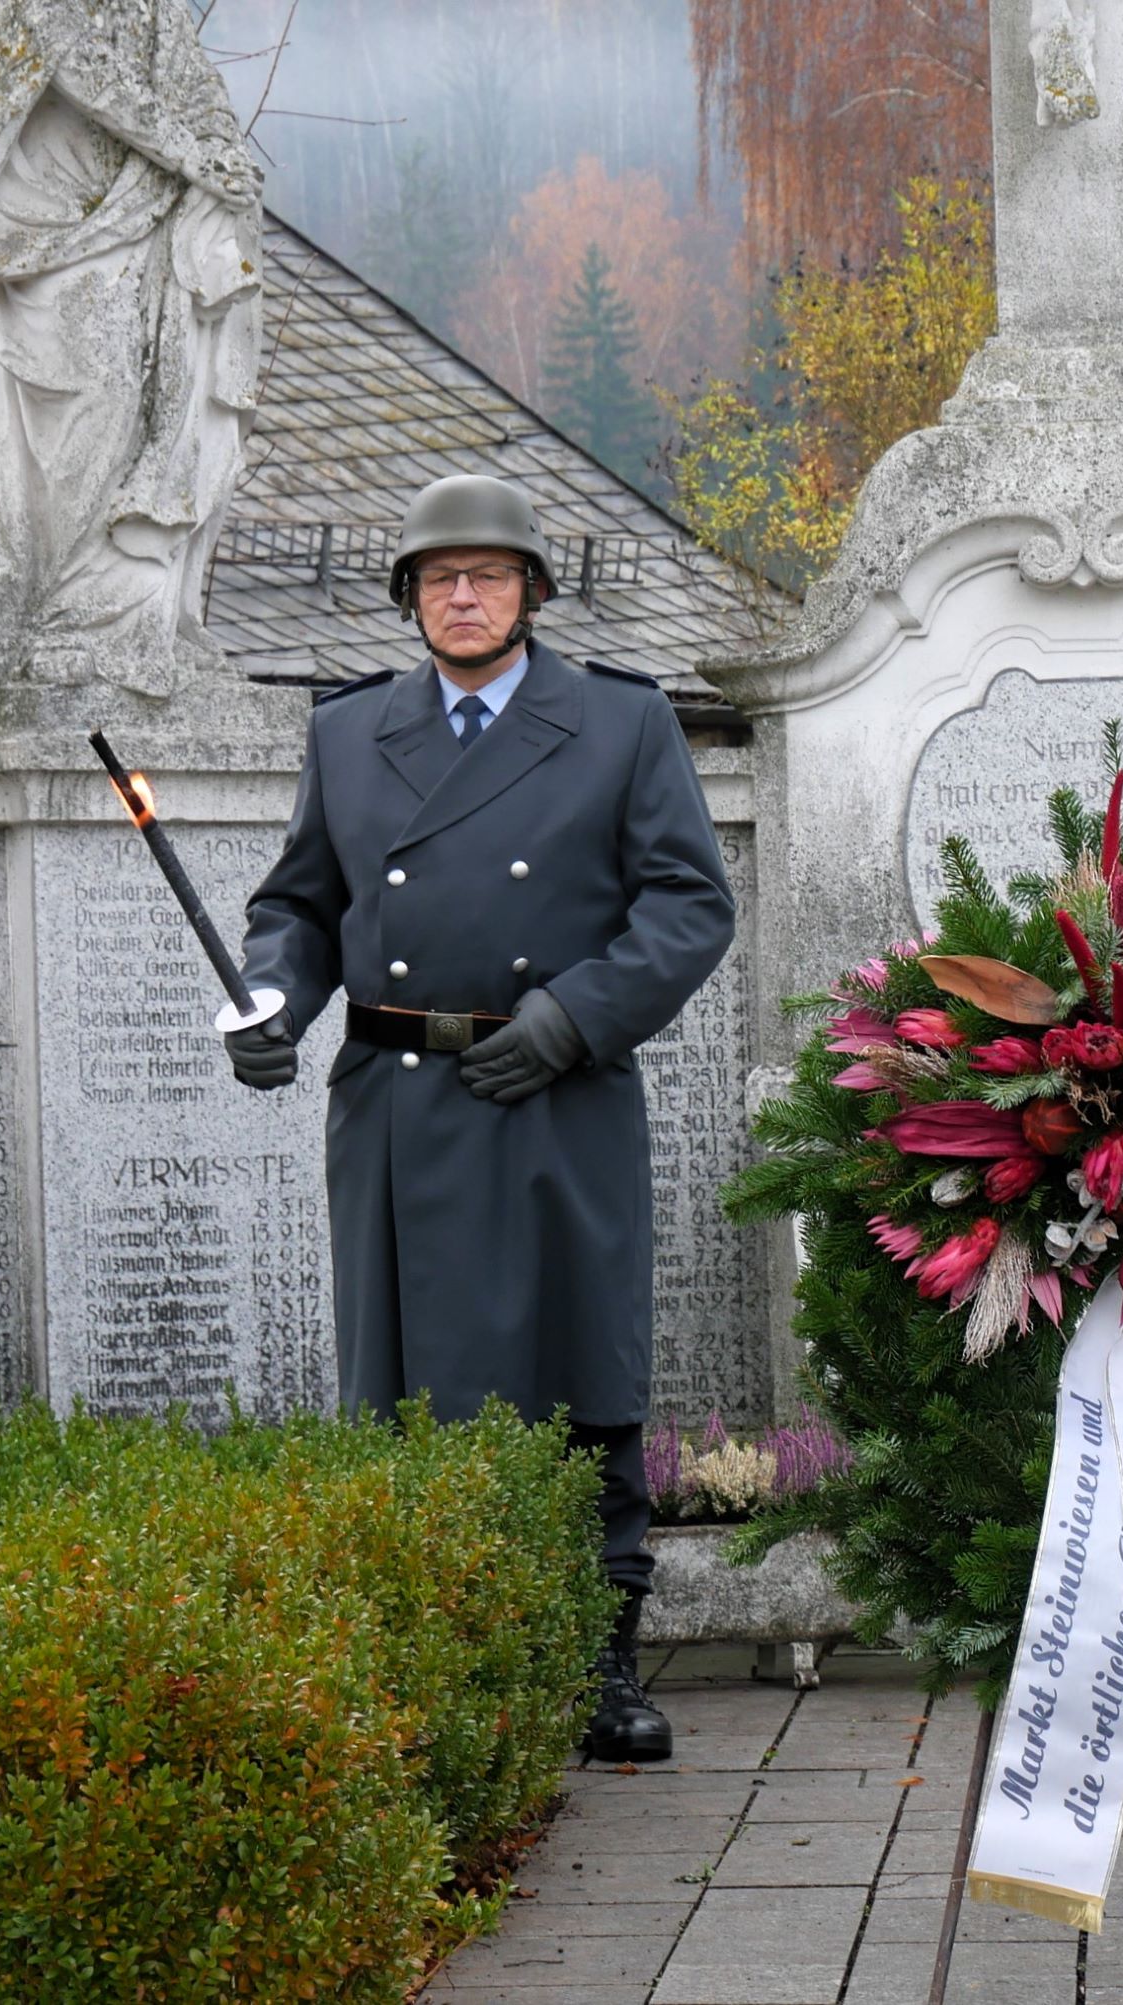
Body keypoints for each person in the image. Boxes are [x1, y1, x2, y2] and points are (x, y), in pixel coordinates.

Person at [227, 475, 736, 1762]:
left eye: (490, 575)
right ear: (410, 596)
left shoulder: (620, 723)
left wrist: (573, 1018)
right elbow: (300, 907)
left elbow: (688, 905)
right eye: (440, 577)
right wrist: (272, 998)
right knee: (407, 1388)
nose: (464, 595)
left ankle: (601, 1663)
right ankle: (423, 1661)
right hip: (396, 1108)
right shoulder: (351, 731)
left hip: (558, 1093)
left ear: (532, 592)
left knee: (582, 1373)